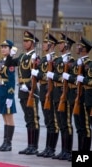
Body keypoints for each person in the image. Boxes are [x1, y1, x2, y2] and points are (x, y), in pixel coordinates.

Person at [5, 30, 40, 155]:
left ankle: (34, 146)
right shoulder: (22, 56)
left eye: (27, 41)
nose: (24, 43)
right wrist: (10, 54)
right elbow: (8, 64)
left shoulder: (35, 57)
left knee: (33, 118)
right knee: (27, 119)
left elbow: (37, 75)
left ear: (32, 43)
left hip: (31, 90)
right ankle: (29, 145)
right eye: (24, 41)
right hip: (22, 90)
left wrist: (30, 86)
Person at [46, 32, 75, 160]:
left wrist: (55, 76)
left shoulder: (72, 61)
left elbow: (70, 79)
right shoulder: (57, 60)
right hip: (56, 94)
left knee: (67, 123)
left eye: (62, 43)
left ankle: (68, 151)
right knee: (61, 123)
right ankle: (63, 150)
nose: (59, 45)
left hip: (66, 94)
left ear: (67, 45)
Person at [31, 33, 59, 158]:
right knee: (47, 121)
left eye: (45, 42)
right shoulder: (43, 59)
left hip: (50, 90)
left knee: (52, 121)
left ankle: (51, 148)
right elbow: (40, 75)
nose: (43, 44)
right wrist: (34, 68)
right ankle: (47, 147)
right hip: (42, 90)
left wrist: (38, 73)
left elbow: (50, 76)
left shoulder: (54, 60)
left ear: (51, 45)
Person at [63, 36, 92, 152]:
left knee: (86, 127)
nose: (77, 47)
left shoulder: (89, 64)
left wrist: (82, 79)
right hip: (77, 98)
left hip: (86, 99)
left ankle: (84, 156)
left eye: (80, 46)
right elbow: (73, 78)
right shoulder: (76, 62)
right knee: (79, 128)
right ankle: (80, 154)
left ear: (84, 49)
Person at [0, 40, 17, 151]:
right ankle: (5, 142)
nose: (3, 49)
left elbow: (11, 80)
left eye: (6, 47)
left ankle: (8, 143)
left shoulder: (10, 63)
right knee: (4, 118)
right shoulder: (1, 62)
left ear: (10, 49)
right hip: (1, 92)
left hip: (7, 93)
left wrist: (10, 97)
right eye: (2, 47)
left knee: (9, 118)